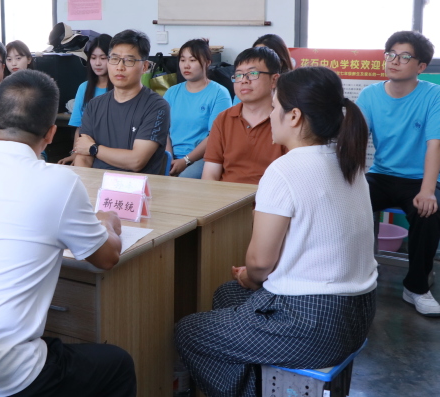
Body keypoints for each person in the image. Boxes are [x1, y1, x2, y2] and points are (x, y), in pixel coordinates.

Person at [0, 70, 136, 397]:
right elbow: (107, 257)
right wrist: (108, 221)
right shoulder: (59, 183)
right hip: (0, 379)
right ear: (51, 133)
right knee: (117, 363)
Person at [176, 66, 377, 397]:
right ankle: (260, 387)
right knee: (226, 295)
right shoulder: (347, 162)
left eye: (274, 107)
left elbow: (259, 263)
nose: (270, 115)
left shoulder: (285, 169)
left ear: (294, 116)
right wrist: (251, 278)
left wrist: (250, 276)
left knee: (189, 331)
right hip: (357, 313)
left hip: (311, 324)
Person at [356, 30, 440, 316]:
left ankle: (416, 287)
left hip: (419, 178)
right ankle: (353, 274)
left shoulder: (433, 95)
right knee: (347, 201)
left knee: (428, 212)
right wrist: (349, 182)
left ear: (421, 66)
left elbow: (434, 145)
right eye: (390, 54)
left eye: (404, 57)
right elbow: (356, 140)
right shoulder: (369, 95)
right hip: (382, 175)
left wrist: (427, 190)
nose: (394, 61)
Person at [73, 29, 170, 175]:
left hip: (138, 186)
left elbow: (136, 161)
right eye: (114, 59)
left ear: (144, 67)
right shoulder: (94, 105)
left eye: (129, 61)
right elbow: (83, 157)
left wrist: (94, 148)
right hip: (97, 184)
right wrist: (86, 185)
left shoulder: (157, 106)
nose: (119, 67)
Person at [202, 46, 286, 184]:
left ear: (274, 80)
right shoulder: (223, 119)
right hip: (227, 195)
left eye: (252, 74)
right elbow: (210, 174)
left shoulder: (288, 120)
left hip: (271, 196)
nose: (244, 80)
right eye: (239, 75)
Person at [164, 38, 231, 179]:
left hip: (203, 157)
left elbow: (215, 136)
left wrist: (186, 160)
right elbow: (163, 131)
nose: (186, 65)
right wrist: (168, 158)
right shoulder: (171, 92)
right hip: (172, 156)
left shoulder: (219, 93)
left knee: (184, 179)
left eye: (192, 60)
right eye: (182, 60)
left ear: (208, 63)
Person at [58, 34, 113, 165]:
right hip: (87, 149)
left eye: (103, 58)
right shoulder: (84, 88)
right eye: (93, 58)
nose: (97, 63)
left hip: (112, 148)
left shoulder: (120, 88)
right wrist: (75, 153)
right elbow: (80, 128)